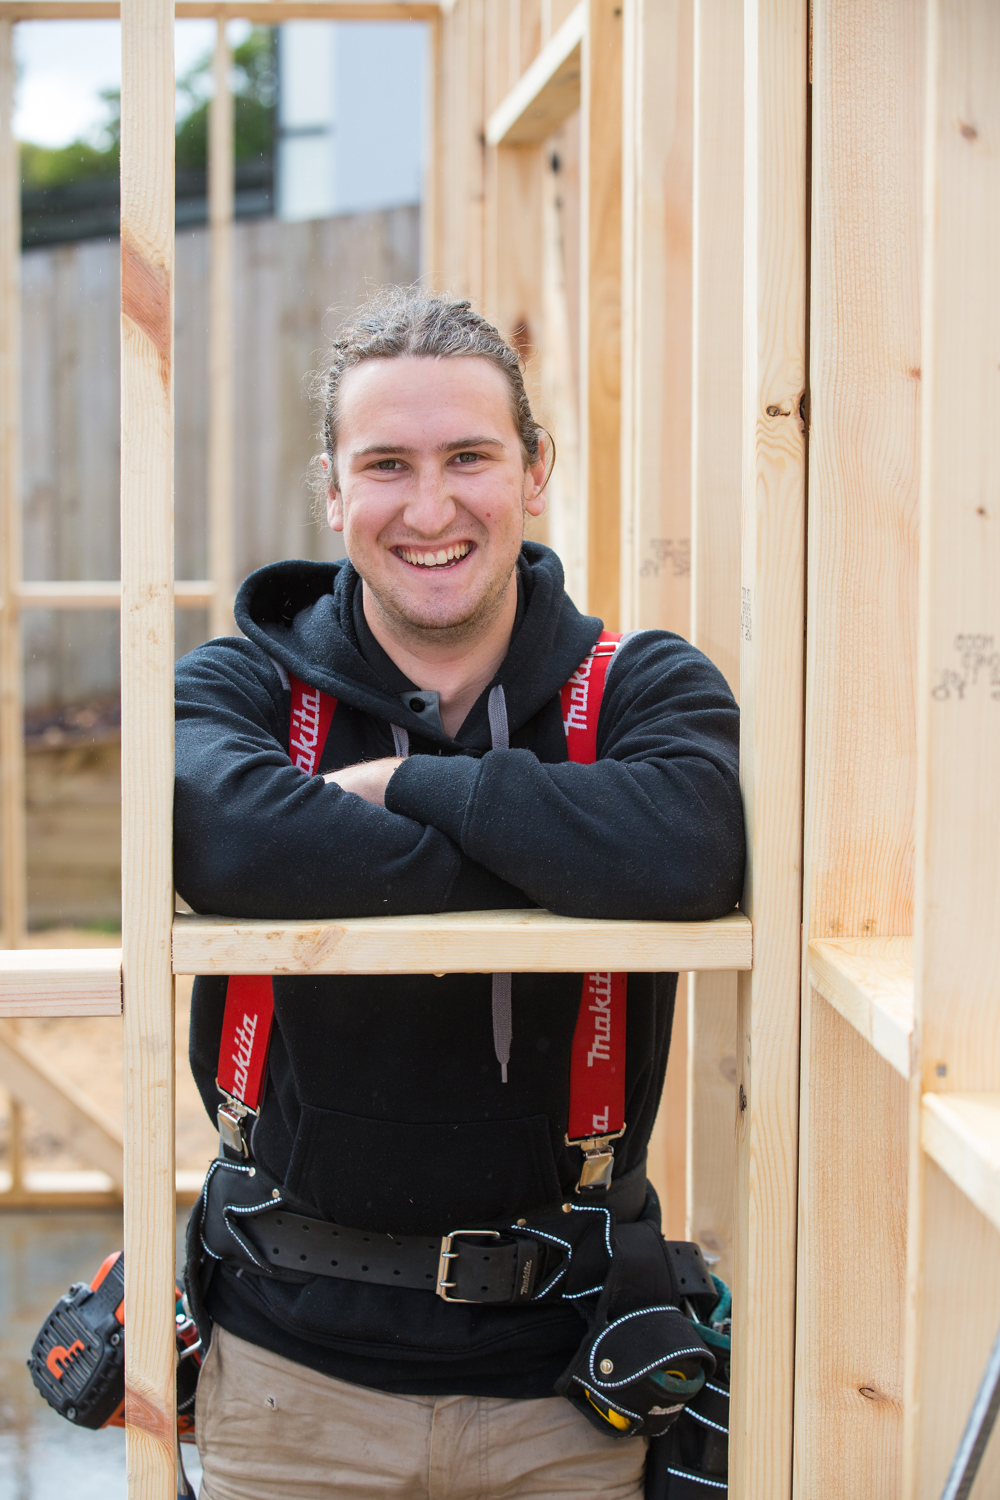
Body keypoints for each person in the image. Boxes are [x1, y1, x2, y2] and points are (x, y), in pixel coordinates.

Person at [175, 289, 744, 1500]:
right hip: (287, 1395)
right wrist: (560, 849)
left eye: (468, 457)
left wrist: (395, 792)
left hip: (569, 1399)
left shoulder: (643, 687)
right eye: (386, 464)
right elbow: (226, 843)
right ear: (333, 491)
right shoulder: (239, 689)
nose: (429, 509)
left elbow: (688, 852)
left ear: (534, 471)